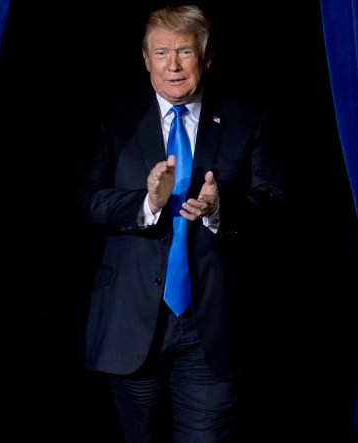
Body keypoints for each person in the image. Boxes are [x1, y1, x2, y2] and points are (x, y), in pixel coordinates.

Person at [71, 4, 285, 442]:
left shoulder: (247, 118)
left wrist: (221, 209)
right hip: (129, 324)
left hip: (213, 327)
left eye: (185, 52)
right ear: (146, 59)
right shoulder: (114, 119)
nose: (173, 65)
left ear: (205, 58)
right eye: (162, 52)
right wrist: (146, 203)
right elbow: (82, 202)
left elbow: (275, 201)